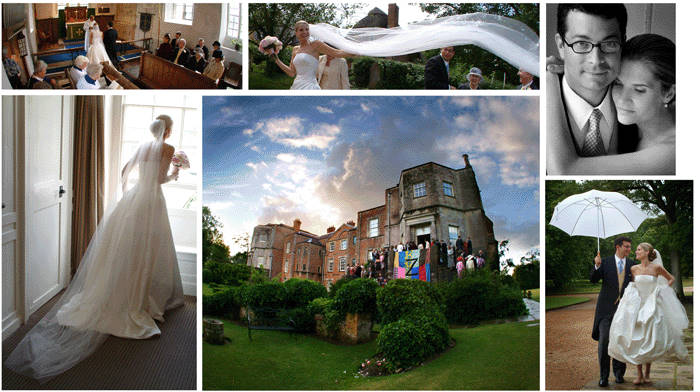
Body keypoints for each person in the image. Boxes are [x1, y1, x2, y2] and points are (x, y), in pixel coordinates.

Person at [5, 116, 184, 382]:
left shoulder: (142, 146)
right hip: (152, 202)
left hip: (134, 201)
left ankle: (122, 292)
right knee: (148, 251)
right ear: (167, 130)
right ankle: (142, 299)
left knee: (125, 251)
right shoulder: (166, 149)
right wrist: (175, 174)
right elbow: (160, 180)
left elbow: (125, 171)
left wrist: (127, 194)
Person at [549, 32, 675, 175]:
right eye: (618, 83)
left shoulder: (673, 151)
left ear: (668, 93)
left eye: (639, 90)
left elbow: (565, 173)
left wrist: (549, 81)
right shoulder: (630, 119)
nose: (622, 99)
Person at [547, 4, 639, 175]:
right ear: (561, 45)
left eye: (610, 44)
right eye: (582, 43)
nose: (596, 60)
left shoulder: (644, 108)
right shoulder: (534, 106)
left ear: (622, 44)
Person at [608, 243, 688, 385]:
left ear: (646, 252)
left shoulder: (656, 268)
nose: (636, 251)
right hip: (637, 307)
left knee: (650, 338)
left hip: (652, 305)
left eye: (639, 249)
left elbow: (671, 279)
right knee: (637, 339)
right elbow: (632, 286)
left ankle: (647, 374)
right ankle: (639, 375)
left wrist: (661, 290)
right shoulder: (634, 269)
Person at [590, 236, 633, 386]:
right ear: (618, 247)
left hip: (624, 311)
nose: (629, 249)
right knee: (604, 342)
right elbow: (593, 279)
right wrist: (596, 266)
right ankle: (603, 377)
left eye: (629, 246)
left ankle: (619, 374)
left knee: (621, 342)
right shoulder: (605, 262)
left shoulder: (632, 265)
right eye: (626, 246)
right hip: (605, 311)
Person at [270, 20, 354, 90]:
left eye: (307, 29)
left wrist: (355, 52)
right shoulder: (295, 49)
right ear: (296, 32)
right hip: (297, 85)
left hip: (310, 86)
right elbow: (291, 73)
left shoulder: (315, 45)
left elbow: (337, 53)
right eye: (301, 30)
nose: (305, 32)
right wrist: (277, 60)